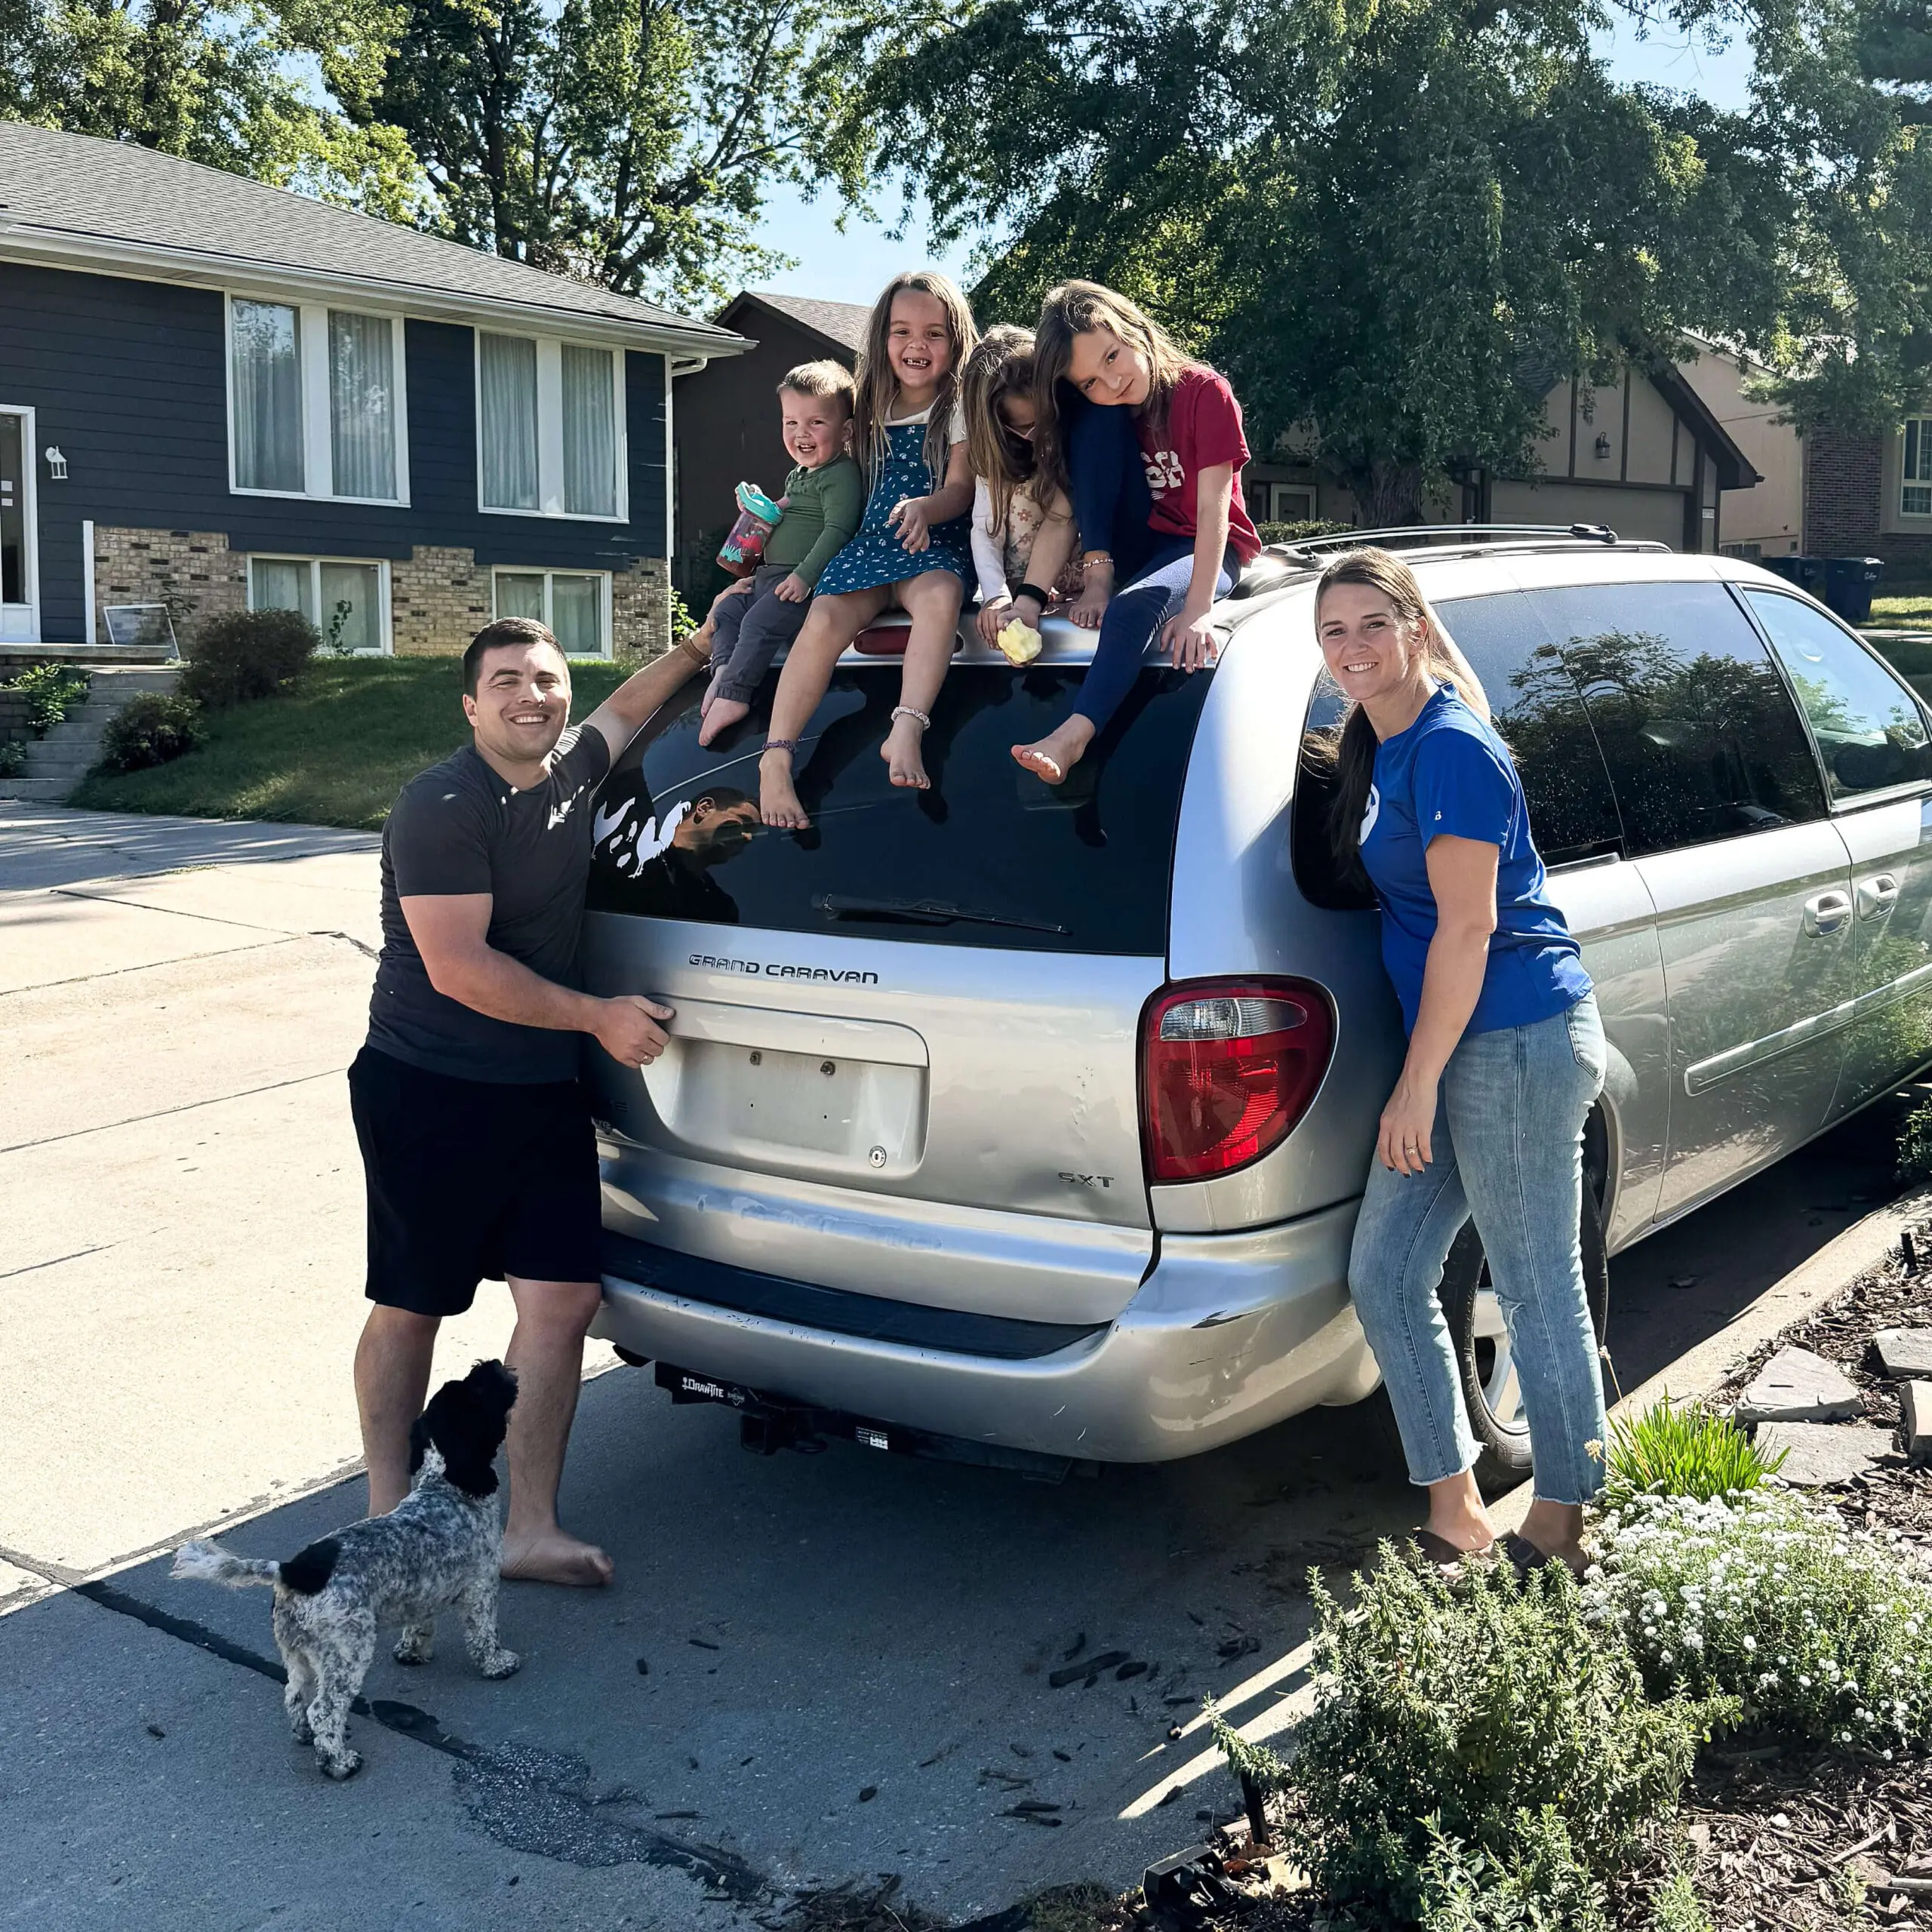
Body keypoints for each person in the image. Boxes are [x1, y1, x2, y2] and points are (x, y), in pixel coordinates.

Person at [349, 615, 709, 1587]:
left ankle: (528, 1528)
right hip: (429, 1086)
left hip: (537, 1089)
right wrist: (597, 1016)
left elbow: (627, 707)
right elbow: (460, 967)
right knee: (412, 1303)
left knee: (562, 1300)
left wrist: (701, 646)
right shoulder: (442, 804)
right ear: (471, 704)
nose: (531, 696)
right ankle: (390, 1519)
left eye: (545, 680)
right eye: (506, 681)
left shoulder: (567, 776)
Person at [1314, 547, 1606, 1579]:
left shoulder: (1450, 750)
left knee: (1535, 1288)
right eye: (1333, 631)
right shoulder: (1383, 744)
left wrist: (1416, 1082)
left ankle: (1563, 1523)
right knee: (1386, 1274)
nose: (1352, 648)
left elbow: (1470, 929)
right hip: (1458, 1043)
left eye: (1371, 625)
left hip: (1516, 1039)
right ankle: (1455, 1510)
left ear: (1417, 628)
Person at [1012, 280, 1261, 783]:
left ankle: (1074, 735)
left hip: (1205, 547)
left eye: (1111, 357)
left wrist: (1197, 609)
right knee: (1094, 422)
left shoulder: (1203, 392)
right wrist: (1027, 597)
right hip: (1142, 539)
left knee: (1132, 609)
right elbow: (1078, 501)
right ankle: (1098, 572)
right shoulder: (1106, 412)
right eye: (1088, 381)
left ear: (1132, 329)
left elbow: (1213, 512)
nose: (1110, 382)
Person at [758, 271, 979, 829]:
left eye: (934, 333)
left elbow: (959, 489)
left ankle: (906, 724)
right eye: (902, 331)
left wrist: (926, 508)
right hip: (868, 543)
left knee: (939, 597)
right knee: (825, 617)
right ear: (883, 338)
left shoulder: (961, 408)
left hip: (931, 541)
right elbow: (828, 484)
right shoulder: (865, 406)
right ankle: (776, 756)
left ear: (956, 340)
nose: (916, 346)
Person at [698, 361, 864, 747]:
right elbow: (786, 509)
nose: (801, 433)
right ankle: (724, 671)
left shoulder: (840, 474)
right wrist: (760, 509)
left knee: (757, 624)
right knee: (727, 612)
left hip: (803, 583)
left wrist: (805, 577)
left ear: (847, 431)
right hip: (772, 577)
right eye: (791, 423)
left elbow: (838, 529)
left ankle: (735, 696)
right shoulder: (800, 473)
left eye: (815, 423)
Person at [959, 325, 1083, 648]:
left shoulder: (1075, 445)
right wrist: (996, 595)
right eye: (1028, 426)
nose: (1042, 432)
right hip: (1019, 592)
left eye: (1048, 416)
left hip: (1077, 589)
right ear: (998, 427)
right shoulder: (993, 467)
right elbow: (987, 531)